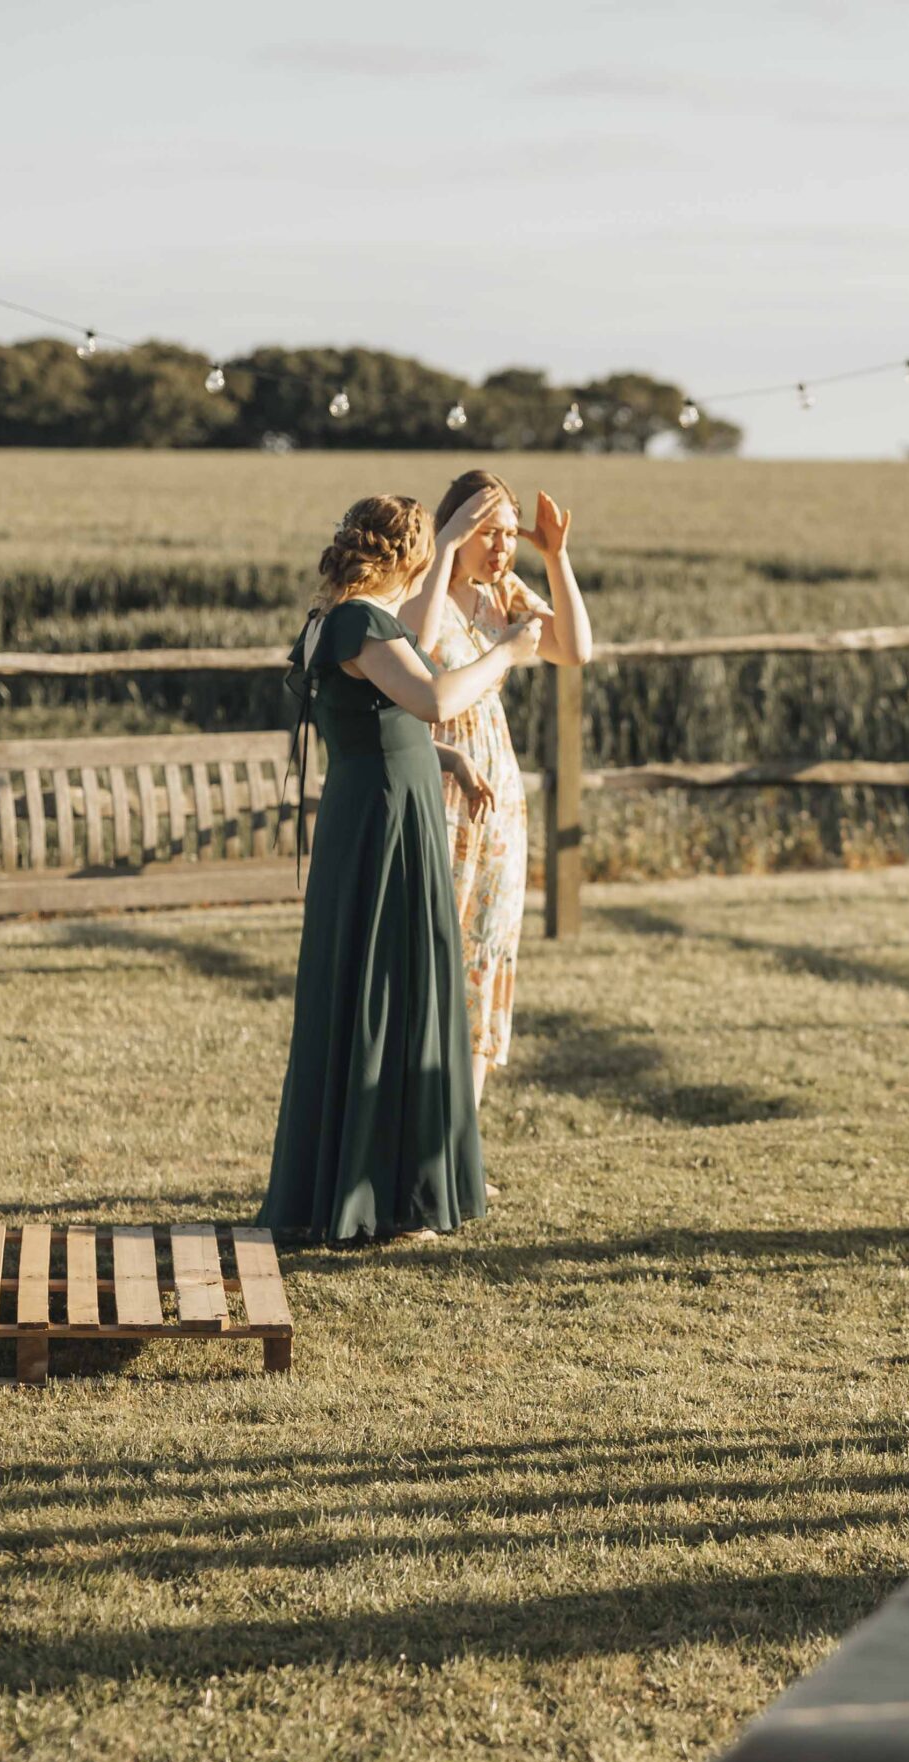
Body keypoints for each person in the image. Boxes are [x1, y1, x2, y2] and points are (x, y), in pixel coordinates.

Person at [258, 492, 545, 1244]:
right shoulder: (357, 619)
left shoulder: (340, 619)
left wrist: (444, 758)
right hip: (383, 828)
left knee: (395, 989)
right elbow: (434, 697)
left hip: (387, 806)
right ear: (411, 554)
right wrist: (509, 653)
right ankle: (385, 1199)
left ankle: (388, 1185)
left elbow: (370, 722)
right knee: (384, 992)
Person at [403, 469, 593, 1125]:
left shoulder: (502, 594)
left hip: (497, 799)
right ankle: (415, 1142)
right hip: (438, 792)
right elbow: (418, 650)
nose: (501, 547)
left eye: (509, 534)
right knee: (434, 965)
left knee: (483, 963)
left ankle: (459, 1149)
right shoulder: (422, 591)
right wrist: (446, 548)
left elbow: (574, 648)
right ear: (456, 527)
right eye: (490, 533)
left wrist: (556, 558)